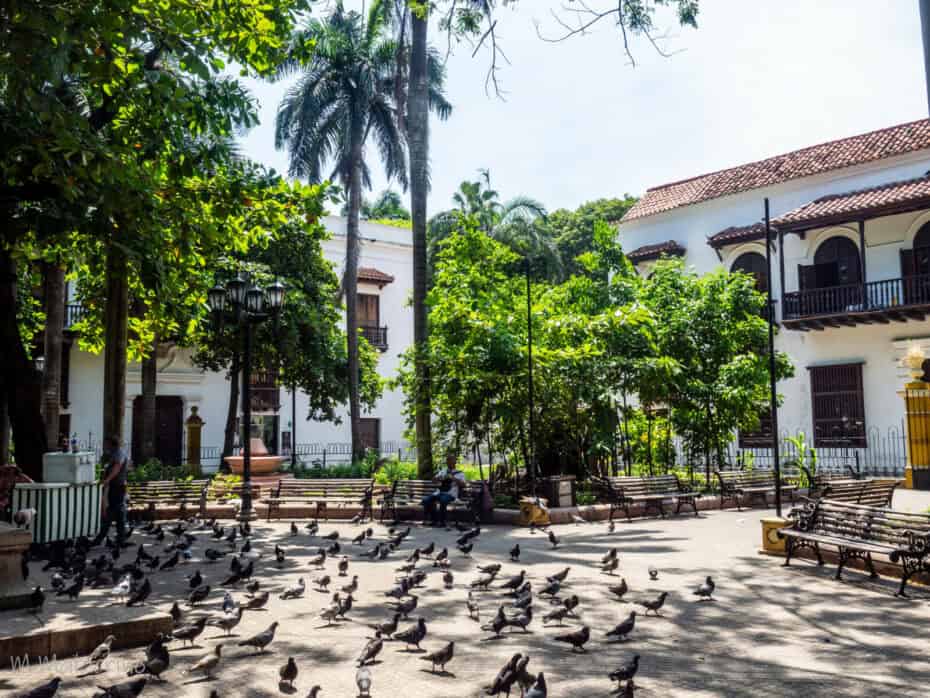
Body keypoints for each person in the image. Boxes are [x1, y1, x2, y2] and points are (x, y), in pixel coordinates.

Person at [92, 436, 130, 546]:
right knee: (119, 513)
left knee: (113, 512)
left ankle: (101, 537)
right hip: (117, 486)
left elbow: (117, 468)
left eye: (106, 443)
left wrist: (107, 480)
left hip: (117, 487)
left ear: (111, 444)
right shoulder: (115, 453)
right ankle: (120, 538)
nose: (105, 446)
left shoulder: (118, 453)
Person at [422, 454, 466, 527]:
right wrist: (438, 478)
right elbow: (433, 481)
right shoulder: (443, 471)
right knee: (426, 500)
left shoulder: (460, 473)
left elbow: (464, 485)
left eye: (451, 461)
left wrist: (453, 478)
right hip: (439, 492)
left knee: (443, 500)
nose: (449, 463)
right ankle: (434, 520)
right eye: (447, 461)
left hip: (451, 494)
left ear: (455, 462)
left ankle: (442, 522)